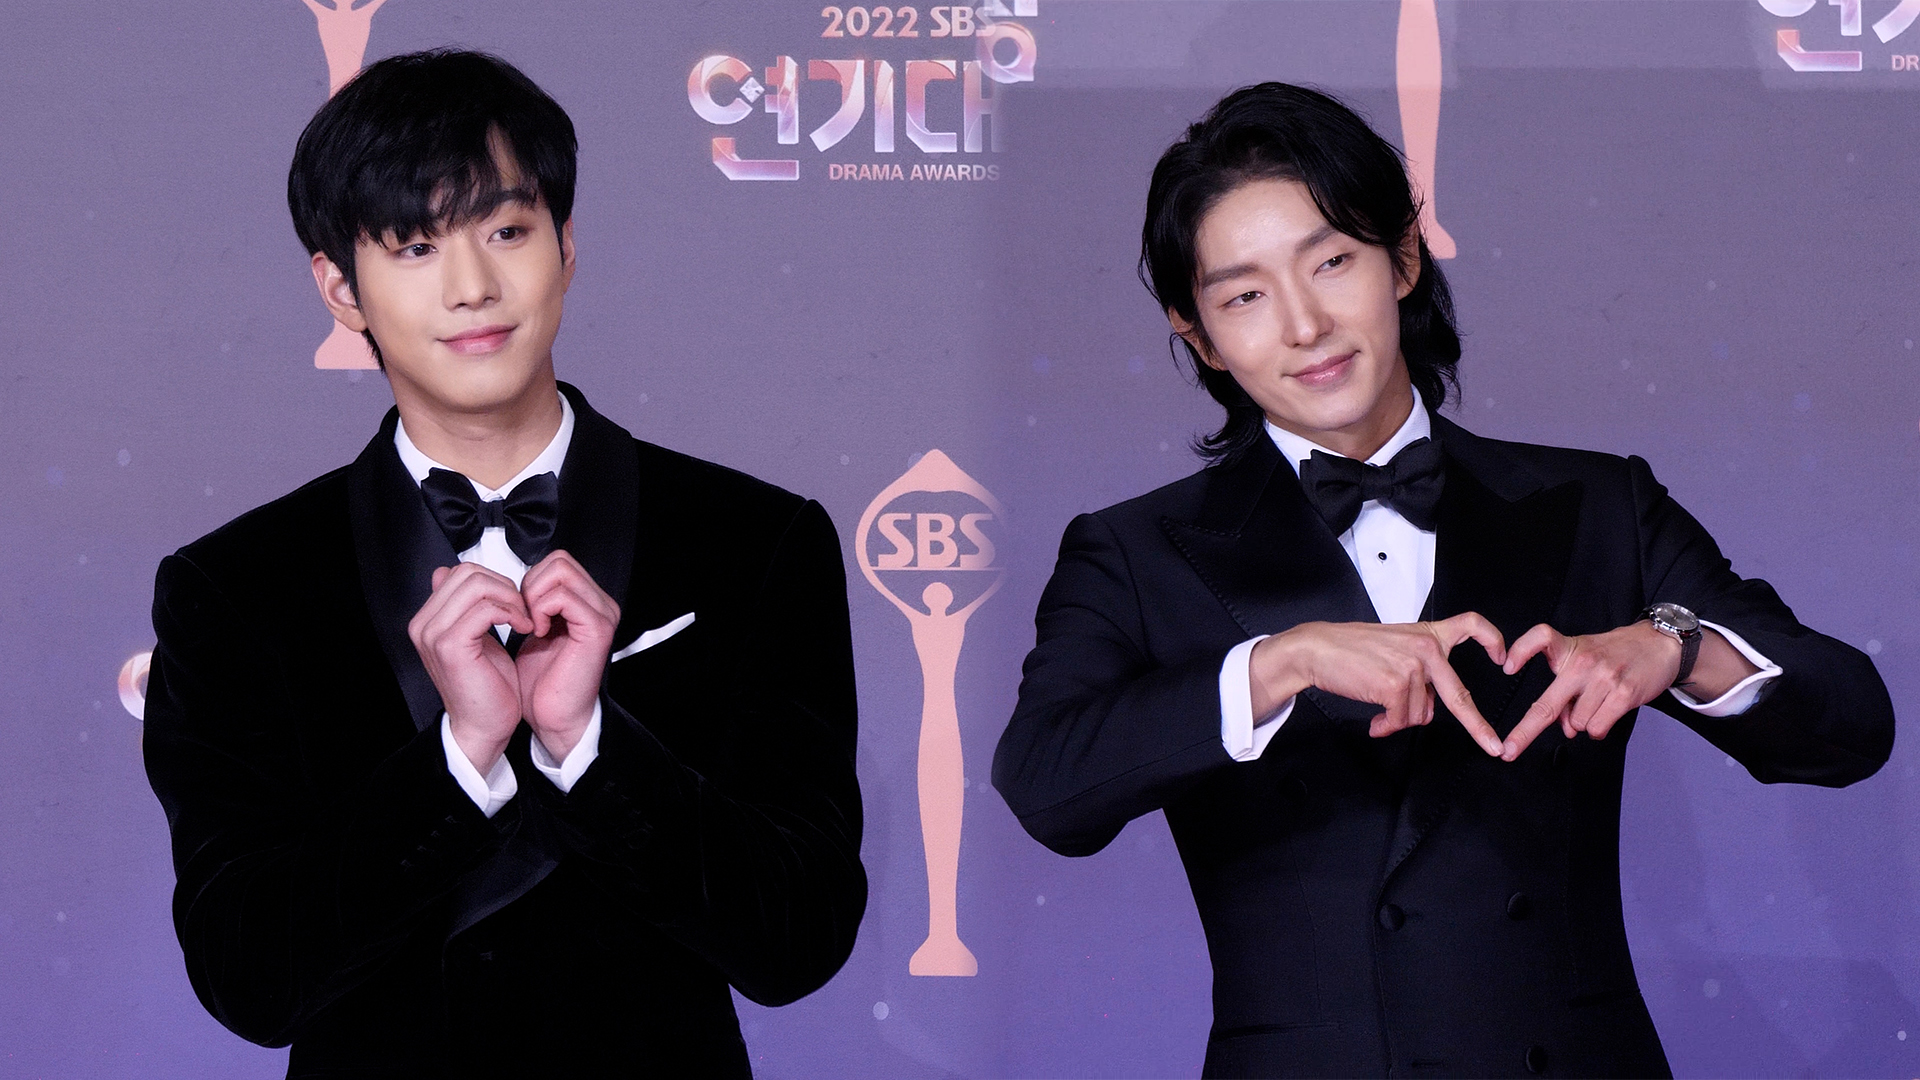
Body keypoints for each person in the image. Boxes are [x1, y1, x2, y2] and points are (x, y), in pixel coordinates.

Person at [992, 83, 1892, 1079]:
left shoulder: (1598, 505)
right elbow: (1046, 785)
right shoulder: (1136, 552)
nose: (1304, 325)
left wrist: (1676, 647)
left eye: (1332, 262)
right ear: (1196, 333)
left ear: (1404, 257)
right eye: (1245, 296)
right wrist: (1282, 663)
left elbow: (1852, 727)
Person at [142, 50, 865, 1078]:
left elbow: (799, 941)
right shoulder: (239, 587)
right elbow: (251, 981)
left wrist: (590, 745)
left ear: (565, 247)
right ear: (341, 288)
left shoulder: (753, 541)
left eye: (507, 232)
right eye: (415, 246)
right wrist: (459, 756)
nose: (473, 287)